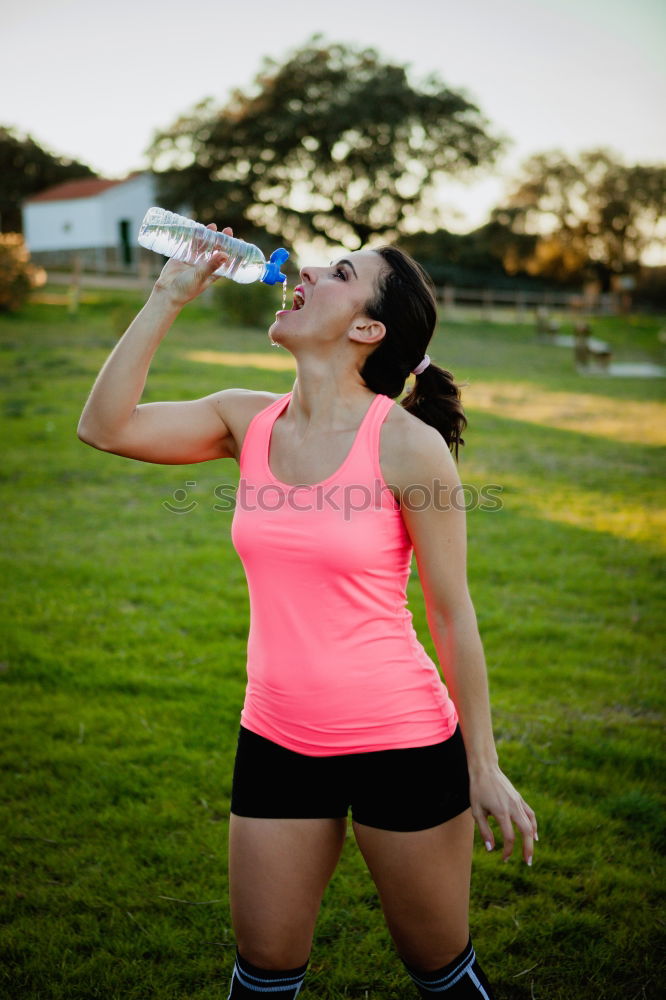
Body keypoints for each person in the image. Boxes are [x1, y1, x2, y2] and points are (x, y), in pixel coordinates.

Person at [78, 224, 538, 1000]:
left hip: (404, 744)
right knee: (261, 977)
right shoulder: (242, 420)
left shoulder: (406, 445)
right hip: (277, 740)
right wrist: (166, 296)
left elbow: (452, 615)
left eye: (340, 271)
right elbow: (106, 427)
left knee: (442, 974)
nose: (306, 270)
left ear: (367, 328)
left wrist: (482, 764)